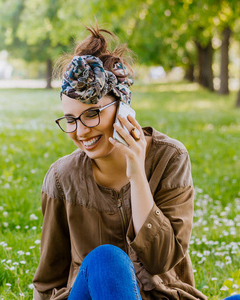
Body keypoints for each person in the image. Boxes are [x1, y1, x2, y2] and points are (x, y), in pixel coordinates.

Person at [31, 24, 213, 300]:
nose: (80, 131)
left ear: (123, 108)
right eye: (70, 120)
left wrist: (137, 173)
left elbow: (160, 261)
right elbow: (48, 279)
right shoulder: (61, 177)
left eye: (92, 114)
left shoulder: (170, 158)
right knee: (107, 259)